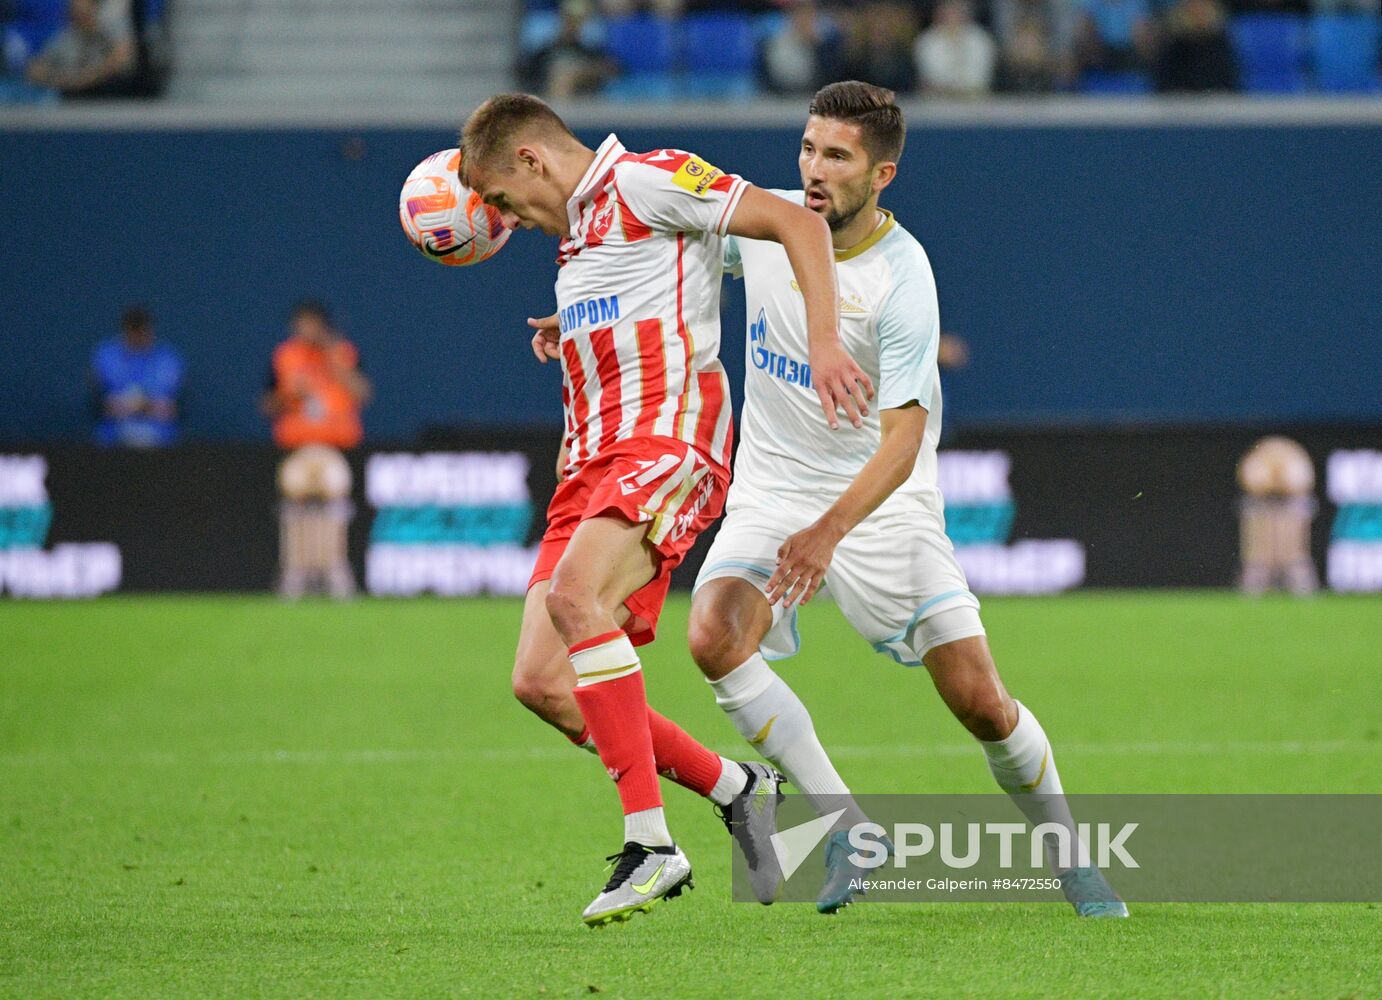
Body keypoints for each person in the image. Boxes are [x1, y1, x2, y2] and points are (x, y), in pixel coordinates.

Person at [682, 80, 1128, 917]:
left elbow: (902, 441)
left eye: (837, 156)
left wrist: (829, 533)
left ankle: (1071, 857)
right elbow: (683, 262)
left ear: (882, 174)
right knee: (713, 634)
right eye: (809, 148)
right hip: (775, 486)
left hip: (880, 502)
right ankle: (849, 826)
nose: (814, 170)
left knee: (979, 701)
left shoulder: (903, 277)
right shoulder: (773, 221)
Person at [459, 92, 873, 925]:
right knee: (540, 682)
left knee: (578, 601)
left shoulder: (650, 180)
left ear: (532, 160)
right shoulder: (579, 244)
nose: (512, 221)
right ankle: (736, 786)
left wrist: (825, 340)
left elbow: (795, 224)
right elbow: (643, 297)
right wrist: (574, 328)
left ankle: (651, 844)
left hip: (666, 444)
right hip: (588, 467)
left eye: (505, 200)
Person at [261, 300, 370, 599]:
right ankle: (295, 571)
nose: (305, 330)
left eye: (311, 324)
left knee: (333, 493)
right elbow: (266, 405)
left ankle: (334, 569)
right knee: (295, 494)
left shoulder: (343, 352)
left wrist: (338, 367)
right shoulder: (286, 356)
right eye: (300, 324)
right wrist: (288, 394)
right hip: (298, 447)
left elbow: (363, 394)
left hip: (335, 447)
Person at [90, 305, 183, 448]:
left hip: (161, 440)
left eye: (143, 330)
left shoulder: (168, 358)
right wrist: (147, 406)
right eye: (134, 330)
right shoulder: (106, 355)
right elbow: (105, 406)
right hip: (113, 439)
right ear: (125, 331)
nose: (138, 336)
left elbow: (170, 408)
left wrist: (130, 405)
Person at [1236, 436, 1319, 595]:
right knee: (1258, 559)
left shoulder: (1294, 459)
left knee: (1295, 558)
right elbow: (1254, 482)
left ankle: (1303, 592)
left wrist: (1280, 485)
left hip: (1292, 511)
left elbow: (1299, 483)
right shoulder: (1259, 461)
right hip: (1261, 513)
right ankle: (1252, 592)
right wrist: (1271, 486)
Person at [24, 0, 133, 98]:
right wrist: (69, 80)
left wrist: (81, 79)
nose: (77, 12)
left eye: (82, 6)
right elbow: (34, 71)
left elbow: (120, 61)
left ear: (94, 8)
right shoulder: (65, 38)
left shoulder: (109, 35)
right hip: (72, 100)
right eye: (74, 7)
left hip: (110, 99)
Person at [914, 0, 999, 97]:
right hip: (937, 99)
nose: (953, 17)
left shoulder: (981, 40)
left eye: (957, 12)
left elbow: (980, 78)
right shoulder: (927, 41)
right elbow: (930, 79)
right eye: (948, 12)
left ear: (966, 14)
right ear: (939, 14)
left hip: (975, 100)